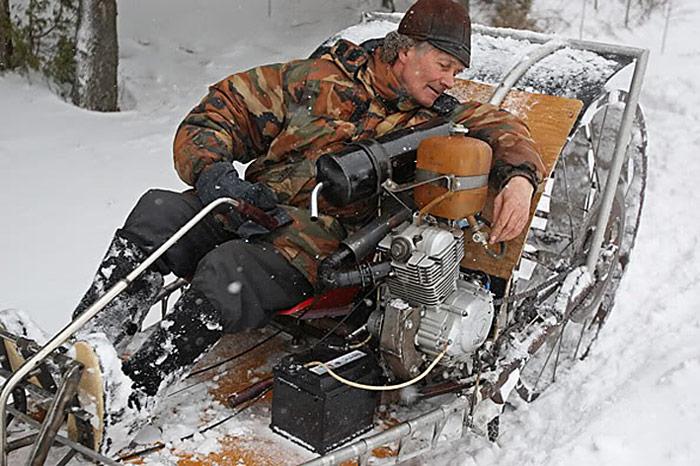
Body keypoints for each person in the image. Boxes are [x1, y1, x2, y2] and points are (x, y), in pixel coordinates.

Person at [2, 0, 545, 455]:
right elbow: (223, 107)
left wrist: (519, 177)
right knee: (158, 214)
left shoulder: (439, 117)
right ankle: (86, 343)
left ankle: (132, 396)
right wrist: (216, 175)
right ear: (405, 49)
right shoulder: (315, 78)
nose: (452, 80)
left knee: (225, 271)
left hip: (330, 251)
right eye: (445, 65)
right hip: (254, 210)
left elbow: (507, 131)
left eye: (458, 72)